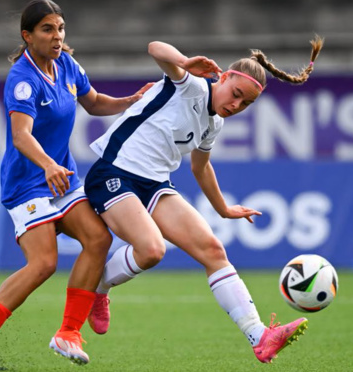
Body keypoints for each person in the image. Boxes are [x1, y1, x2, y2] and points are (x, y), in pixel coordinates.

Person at [84, 37, 324, 364]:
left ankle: (261, 338)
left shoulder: (215, 122)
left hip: (153, 184)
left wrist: (224, 209)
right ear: (223, 77)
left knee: (213, 251)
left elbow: (201, 166)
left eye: (246, 104)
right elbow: (155, 47)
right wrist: (184, 61)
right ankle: (97, 288)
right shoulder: (190, 86)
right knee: (152, 250)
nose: (237, 105)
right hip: (113, 173)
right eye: (236, 94)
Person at [0, 1, 152, 371]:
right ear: (27, 36)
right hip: (29, 183)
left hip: (62, 178)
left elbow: (92, 102)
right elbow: (20, 136)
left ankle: (68, 332)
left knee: (98, 239)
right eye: (47, 29)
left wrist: (129, 102)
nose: (57, 36)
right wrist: (47, 165)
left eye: (60, 28)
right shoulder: (22, 78)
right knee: (43, 263)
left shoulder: (67, 65)